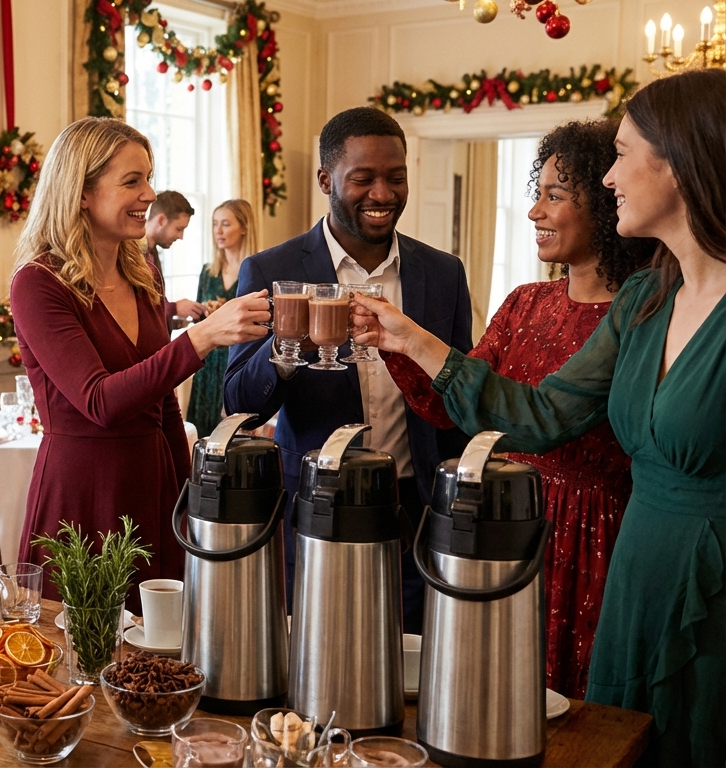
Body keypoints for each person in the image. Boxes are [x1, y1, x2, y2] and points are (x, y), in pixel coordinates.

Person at [352, 69, 726, 766]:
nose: (609, 177)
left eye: (622, 154)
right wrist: (410, 339)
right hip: (637, 569)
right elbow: (542, 413)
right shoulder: (646, 299)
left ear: (680, 160)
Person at [385, 119, 653, 698]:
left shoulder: (644, 312)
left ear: (605, 203)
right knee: (489, 697)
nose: (534, 212)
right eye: (538, 194)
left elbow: (543, 415)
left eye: (555, 196)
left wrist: (412, 338)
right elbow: (453, 404)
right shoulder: (525, 303)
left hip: (591, 538)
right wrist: (392, 341)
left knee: (573, 710)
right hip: (501, 524)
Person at [222, 106, 474, 634]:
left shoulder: (443, 273)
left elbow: (458, 398)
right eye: (363, 178)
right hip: (316, 506)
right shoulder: (271, 270)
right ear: (325, 180)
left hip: (416, 512)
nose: (383, 193)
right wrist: (287, 347)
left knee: (411, 654)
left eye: (396, 177)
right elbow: (240, 404)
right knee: (317, 648)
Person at [9, 117, 271, 599]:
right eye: (132, 181)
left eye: (148, 178)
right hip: (83, 491)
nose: (149, 194)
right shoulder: (38, 283)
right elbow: (100, 401)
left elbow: (165, 404)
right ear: (81, 192)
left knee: (160, 638)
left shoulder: (144, 274)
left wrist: (188, 497)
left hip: (153, 484)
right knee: (82, 637)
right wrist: (201, 338)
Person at [186, 199, 258, 438]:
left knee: (233, 439)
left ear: (244, 228)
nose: (218, 231)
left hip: (238, 364)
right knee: (203, 435)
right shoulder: (208, 272)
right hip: (207, 365)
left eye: (225, 224)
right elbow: (199, 321)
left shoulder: (256, 272)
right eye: (215, 224)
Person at [144, 190, 208, 329]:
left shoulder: (153, 252)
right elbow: (136, 308)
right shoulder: (134, 255)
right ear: (161, 220)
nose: (181, 236)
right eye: (179, 229)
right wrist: (175, 308)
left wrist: (171, 322)